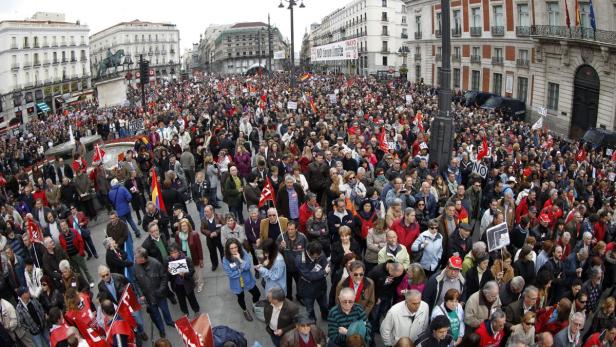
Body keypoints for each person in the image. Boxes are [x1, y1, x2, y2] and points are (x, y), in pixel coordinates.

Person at [134, 247, 174, 338]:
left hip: (159, 294)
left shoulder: (156, 264)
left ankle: (169, 321)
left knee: (165, 310)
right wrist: (141, 294)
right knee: (156, 315)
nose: (135, 260)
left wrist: (161, 290)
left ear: (143, 258)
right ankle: (161, 329)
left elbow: (164, 277)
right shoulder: (136, 266)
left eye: (137, 258)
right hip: (148, 297)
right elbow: (135, 282)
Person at [222, 238, 261, 321]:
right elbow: (230, 274)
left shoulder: (243, 252)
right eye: (231, 248)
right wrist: (240, 270)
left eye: (235, 247)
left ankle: (254, 305)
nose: (234, 250)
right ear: (228, 249)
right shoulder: (225, 259)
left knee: (257, 294)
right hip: (236, 283)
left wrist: (240, 259)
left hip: (247, 279)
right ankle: (245, 310)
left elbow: (247, 266)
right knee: (240, 297)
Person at [296, 241, 330, 321]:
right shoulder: (300, 259)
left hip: (321, 287)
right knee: (310, 310)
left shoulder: (320, 253)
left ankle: (325, 317)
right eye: (315, 257)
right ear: (309, 252)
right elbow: (308, 276)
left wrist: (320, 273)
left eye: (319, 255)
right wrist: (323, 272)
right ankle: (312, 323)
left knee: (324, 305)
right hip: (307, 290)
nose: (318, 257)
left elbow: (326, 267)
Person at [58, 220, 94, 287]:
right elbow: (62, 247)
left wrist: (81, 252)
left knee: (85, 269)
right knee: (78, 272)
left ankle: (91, 281)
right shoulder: (60, 236)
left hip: (78, 254)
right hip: (70, 257)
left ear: (67, 225)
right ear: (60, 228)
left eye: (64, 225)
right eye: (62, 226)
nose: (63, 227)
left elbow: (81, 241)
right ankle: (85, 284)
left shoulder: (74, 231)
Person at [167, 244, 200, 317]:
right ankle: (185, 312)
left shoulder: (186, 259)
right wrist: (169, 272)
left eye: (175, 252)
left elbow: (192, 271)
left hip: (187, 283)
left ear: (179, 251)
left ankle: (196, 310)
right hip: (177, 285)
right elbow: (168, 276)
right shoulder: (168, 260)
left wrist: (185, 274)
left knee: (191, 298)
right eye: (171, 253)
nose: (173, 254)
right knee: (181, 300)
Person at [175, 218, 204, 293]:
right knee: (191, 273)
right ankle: (195, 283)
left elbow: (199, 248)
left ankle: (200, 284)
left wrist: (201, 259)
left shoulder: (194, 234)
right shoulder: (178, 234)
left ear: (188, 226)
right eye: (182, 226)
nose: (184, 227)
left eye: (185, 226)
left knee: (197, 273)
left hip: (194, 258)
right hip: (184, 258)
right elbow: (177, 246)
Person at [200, 205, 225, 271]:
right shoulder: (203, 219)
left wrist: (216, 232)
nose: (205, 213)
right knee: (212, 253)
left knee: (222, 251)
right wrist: (209, 233)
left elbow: (224, 226)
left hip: (219, 238)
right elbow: (202, 229)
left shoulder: (219, 216)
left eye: (207, 211)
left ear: (212, 211)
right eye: (205, 211)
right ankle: (214, 264)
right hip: (210, 239)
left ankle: (225, 263)